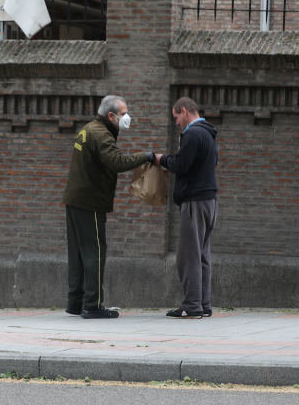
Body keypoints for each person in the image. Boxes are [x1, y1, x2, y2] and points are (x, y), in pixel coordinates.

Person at [62, 95, 155, 319]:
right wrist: (147, 156)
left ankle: (76, 302)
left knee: (77, 253)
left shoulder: (89, 128)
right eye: (123, 113)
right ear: (111, 116)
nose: (127, 117)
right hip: (90, 202)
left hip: (75, 200)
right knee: (95, 251)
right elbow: (116, 162)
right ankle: (92, 305)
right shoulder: (101, 134)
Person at [155, 97, 218, 319]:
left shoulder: (193, 134)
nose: (177, 123)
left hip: (194, 203)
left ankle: (192, 305)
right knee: (202, 255)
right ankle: (204, 304)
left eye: (176, 117)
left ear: (184, 111)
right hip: (209, 202)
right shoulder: (208, 134)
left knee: (188, 256)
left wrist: (162, 159)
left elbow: (181, 165)